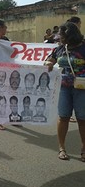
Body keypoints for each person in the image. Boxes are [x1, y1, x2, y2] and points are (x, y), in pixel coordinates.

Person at [44, 21, 85, 162]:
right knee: (63, 117)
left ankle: (84, 149)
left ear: (69, 35)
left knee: (82, 119)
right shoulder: (60, 49)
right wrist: (48, 63)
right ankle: (62, 148)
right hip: (64, 89)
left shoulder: (83, 48)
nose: (58, 37)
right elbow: (50, 60)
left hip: (82, 90)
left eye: (61, 35)